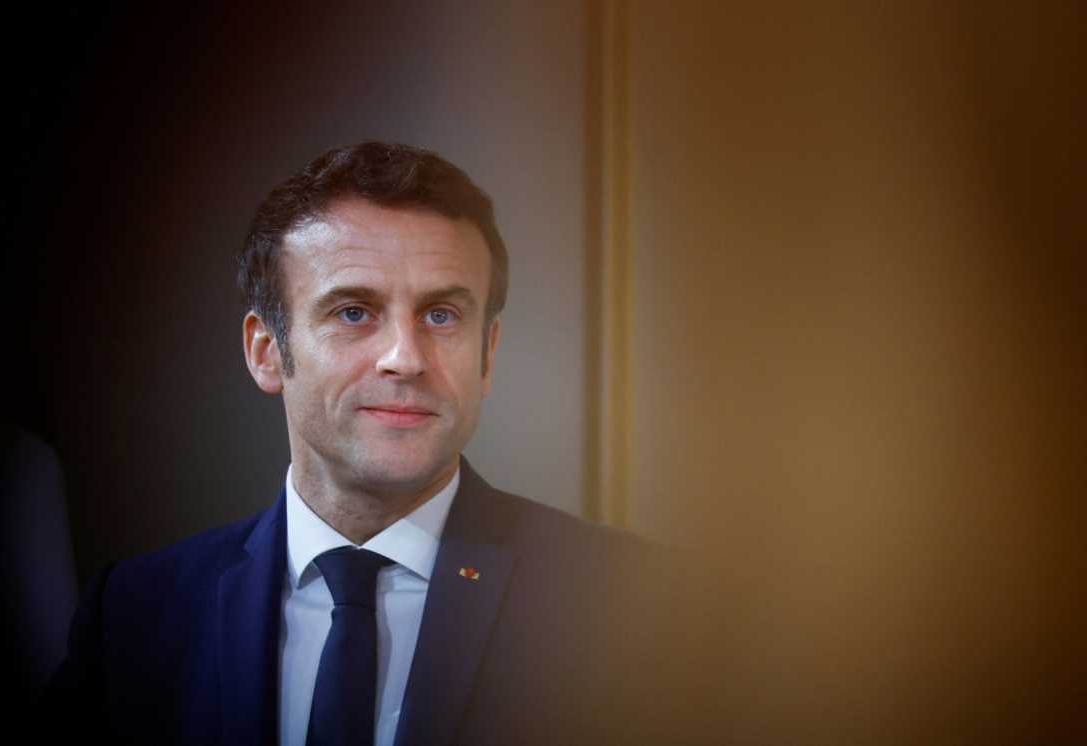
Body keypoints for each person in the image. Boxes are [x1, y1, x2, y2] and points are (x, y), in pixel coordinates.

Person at [39, 142, 676, 746]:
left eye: (441, 315)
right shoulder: (134, 615)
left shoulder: (637, 609)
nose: (405, 358)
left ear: (487, 356)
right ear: (267, 352)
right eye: (353, 312)